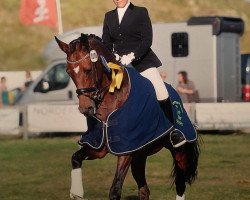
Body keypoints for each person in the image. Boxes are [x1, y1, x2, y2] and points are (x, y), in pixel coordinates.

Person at [102, 0, 185, 147]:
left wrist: (132, 55)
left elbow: (147, 40)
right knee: (109, 94)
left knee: (161, 91)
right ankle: (104, 134)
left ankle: (174, 131)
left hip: (142, 61)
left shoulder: (141, 12)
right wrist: (115, 56)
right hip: (119, 64)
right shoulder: (109, 16)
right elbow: (106, 42)